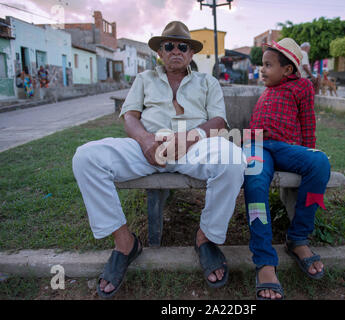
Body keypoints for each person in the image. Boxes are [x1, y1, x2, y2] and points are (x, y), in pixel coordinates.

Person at [72, 21, 246, 299]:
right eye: (169, 46)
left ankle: (206, 239)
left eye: (183, 46)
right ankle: (125, 244)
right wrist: (145, 141)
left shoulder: (207, 81)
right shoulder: (144, 79)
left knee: (233, 159)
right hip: (149, 148)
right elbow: (129, 115)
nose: (176, 50)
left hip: (194, 147)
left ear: (190, 54)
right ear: (160, 53)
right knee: (86, 157)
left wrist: (186, 139)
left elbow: (219, 121)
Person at [243, 38, 331, 300]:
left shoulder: (301, 86)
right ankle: (264, 258)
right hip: (257, 147)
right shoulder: (267, 89)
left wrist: (306, 154)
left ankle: (298, 238)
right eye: (262, 65)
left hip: (286, 148)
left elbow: (308, 124)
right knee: (255, 179)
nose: (262, 70)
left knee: (319, 161)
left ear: (288, 70)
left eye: (268, 65)